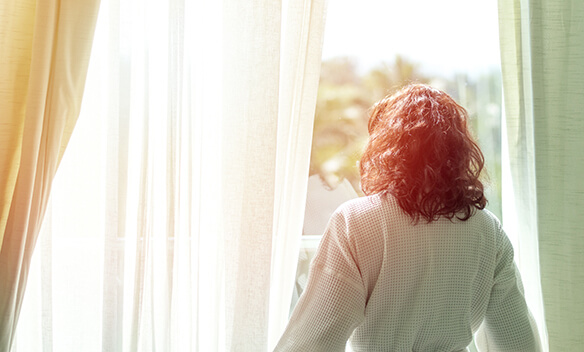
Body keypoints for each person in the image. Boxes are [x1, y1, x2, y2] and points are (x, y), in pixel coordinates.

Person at [273, 84, 541, 351]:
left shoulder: (355, 221)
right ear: (459, 150)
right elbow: (516, 340)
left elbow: (315, 339)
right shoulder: (487, 229)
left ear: (387, 146)